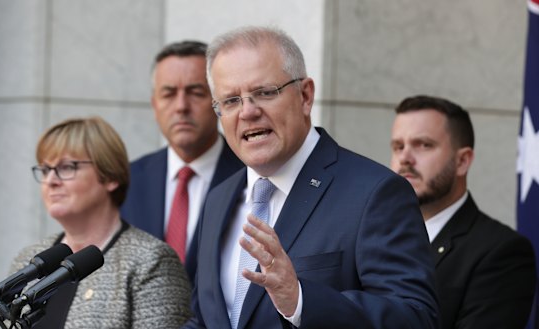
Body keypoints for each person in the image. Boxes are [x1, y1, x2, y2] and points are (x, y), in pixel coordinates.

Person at [183, 26, 438, 329]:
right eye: (230, 101)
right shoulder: (219, 197)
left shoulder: (375, 193)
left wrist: (301, 300)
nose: (247, 112)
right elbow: (206, 319)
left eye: (265, 93)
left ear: (305, 96)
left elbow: (415, 318)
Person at [10, 117, 192, 329]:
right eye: (45, 169)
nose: (51, 180)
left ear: (110, 177)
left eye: (67, 167)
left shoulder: (150, 262)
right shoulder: (28, 260)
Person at [389, 95, 537, 329]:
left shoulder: (501, 252)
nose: (404, 158)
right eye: (398, 146)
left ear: (463, 161)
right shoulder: (371, 236)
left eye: (424, 145)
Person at [120, 41, 244, 283]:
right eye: (168, 94)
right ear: (154, 104)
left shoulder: (250, 176)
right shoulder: (128, 180)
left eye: (196, 92)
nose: (181, 107)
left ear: (218, 101)